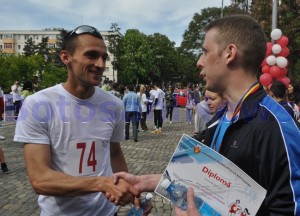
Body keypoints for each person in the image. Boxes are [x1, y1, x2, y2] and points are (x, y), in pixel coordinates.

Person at [112, 15, 300, 215]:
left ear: (229, 53)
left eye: (204, 52)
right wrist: (143, 182)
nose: (199, 62)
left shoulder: (276, 125)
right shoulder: (220, 118)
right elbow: (209, 180)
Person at [13, 25, 139, 216]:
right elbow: (40, 179)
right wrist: (100, 183)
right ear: (66, 58)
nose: (100, 64)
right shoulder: (37, 104)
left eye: (104, 57)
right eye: (91, 55)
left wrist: (126, 186)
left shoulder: (114, 105)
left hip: (107, 212)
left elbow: (113, 152)